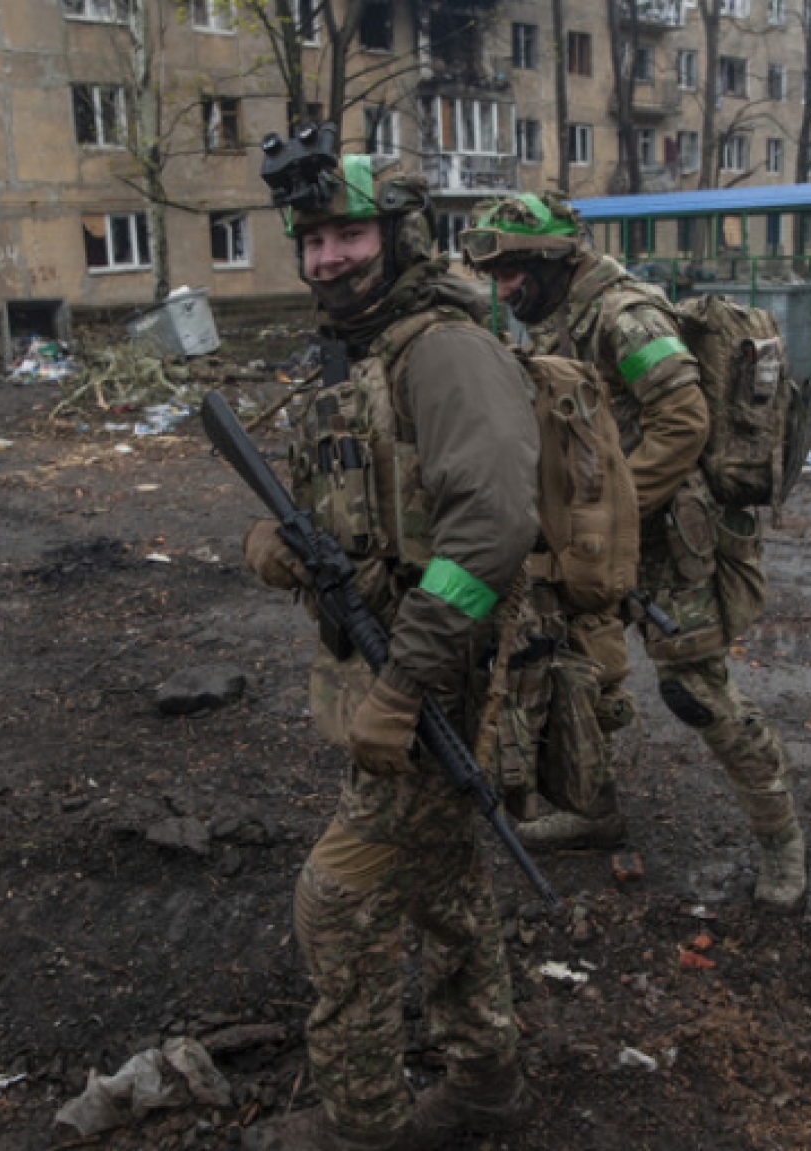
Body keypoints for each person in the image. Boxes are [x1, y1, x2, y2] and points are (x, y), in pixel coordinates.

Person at [238, 143, 539, 1151]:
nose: (327, 258)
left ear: (398, 235)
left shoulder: (443, 350)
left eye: (349, 234)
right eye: (314, 239)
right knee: (449, 886)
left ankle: (360, 1125)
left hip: (440, 675)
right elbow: (333, 509)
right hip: (396, 666)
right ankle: (487, 1081)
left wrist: (405, 683)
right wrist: (279, 550)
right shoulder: (352, 356)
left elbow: (491, 531)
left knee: (339, 899)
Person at [459, 191, 809, 912]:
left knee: (697, 690)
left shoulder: (625, 316)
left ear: (556, 260)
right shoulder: (558, 316)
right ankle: (594, 805)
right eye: (497, 277)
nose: (504, 290)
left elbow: (684, 420)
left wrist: (612, 511)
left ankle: (782, 840)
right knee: (574, 670)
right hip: (594, 534)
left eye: (514, 272)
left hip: (668, 537)